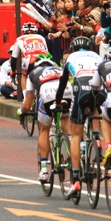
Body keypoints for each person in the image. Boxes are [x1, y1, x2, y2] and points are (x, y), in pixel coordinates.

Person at [56, 36, 104, 199]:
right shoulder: (97, 56)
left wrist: (57, 101)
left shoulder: (71, 57)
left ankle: (75, 179)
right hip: (99, 89)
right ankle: (97, 139)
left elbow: (63, 82)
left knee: (76, 134)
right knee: (95, 106)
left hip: (81, 87)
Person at [22, 53, 73, 182]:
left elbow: (28, 102)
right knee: (67, 125)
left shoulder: (33, 73)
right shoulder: (60, 69)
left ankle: (44, 169)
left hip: (48, 95)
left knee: (44, 130)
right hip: (66, 92)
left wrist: (22, 111)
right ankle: (76, 154)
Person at [10, 23, 50, 96]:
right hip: (45, 58)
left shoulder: (19, 39)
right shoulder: (41, 37)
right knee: (46, 74)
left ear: (23, 32)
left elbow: (14, 58)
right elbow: (46, 51)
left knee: (24, 75)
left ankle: (25, 96)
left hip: (30, 59)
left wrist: (13, 70)